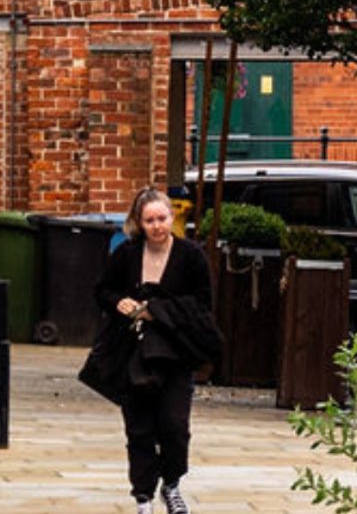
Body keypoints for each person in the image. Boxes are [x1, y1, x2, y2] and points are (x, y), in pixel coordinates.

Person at [81, 186, 222, 514]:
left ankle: (170, 484)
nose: (157, 226)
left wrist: (154, 310)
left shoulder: (191, 256)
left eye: (162, 218)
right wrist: (120, 302)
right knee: (139, 428)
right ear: (139, 223)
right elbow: (102, 290)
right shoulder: (127, 255)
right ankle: (143, 497)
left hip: (175, 353)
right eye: (150, 220)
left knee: (174, 426)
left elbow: (202, 305)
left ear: (172, 218)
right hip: (133, 353)